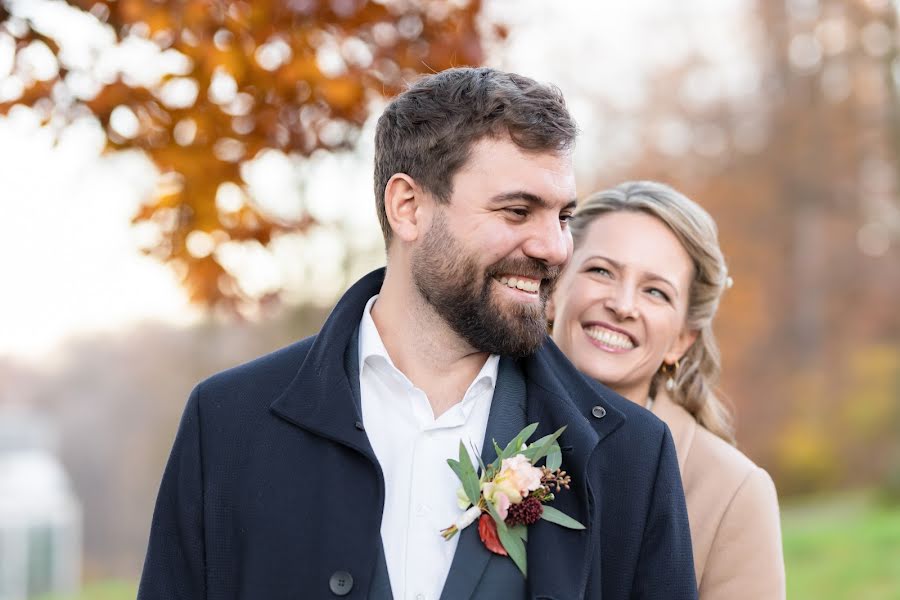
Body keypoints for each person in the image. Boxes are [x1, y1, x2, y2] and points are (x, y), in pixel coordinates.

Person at [138, 69, 697, 599]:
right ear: (408, 207)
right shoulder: (228, 425)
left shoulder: (630, 458)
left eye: (563, 216)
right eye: (518, 210)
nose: (554, 248)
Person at [548, 180, 786, 599]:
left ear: (682, 339)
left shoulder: (733, 493)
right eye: (601, 271)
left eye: (655, 292)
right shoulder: (481, 419)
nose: (623, 305)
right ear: (552, 292)